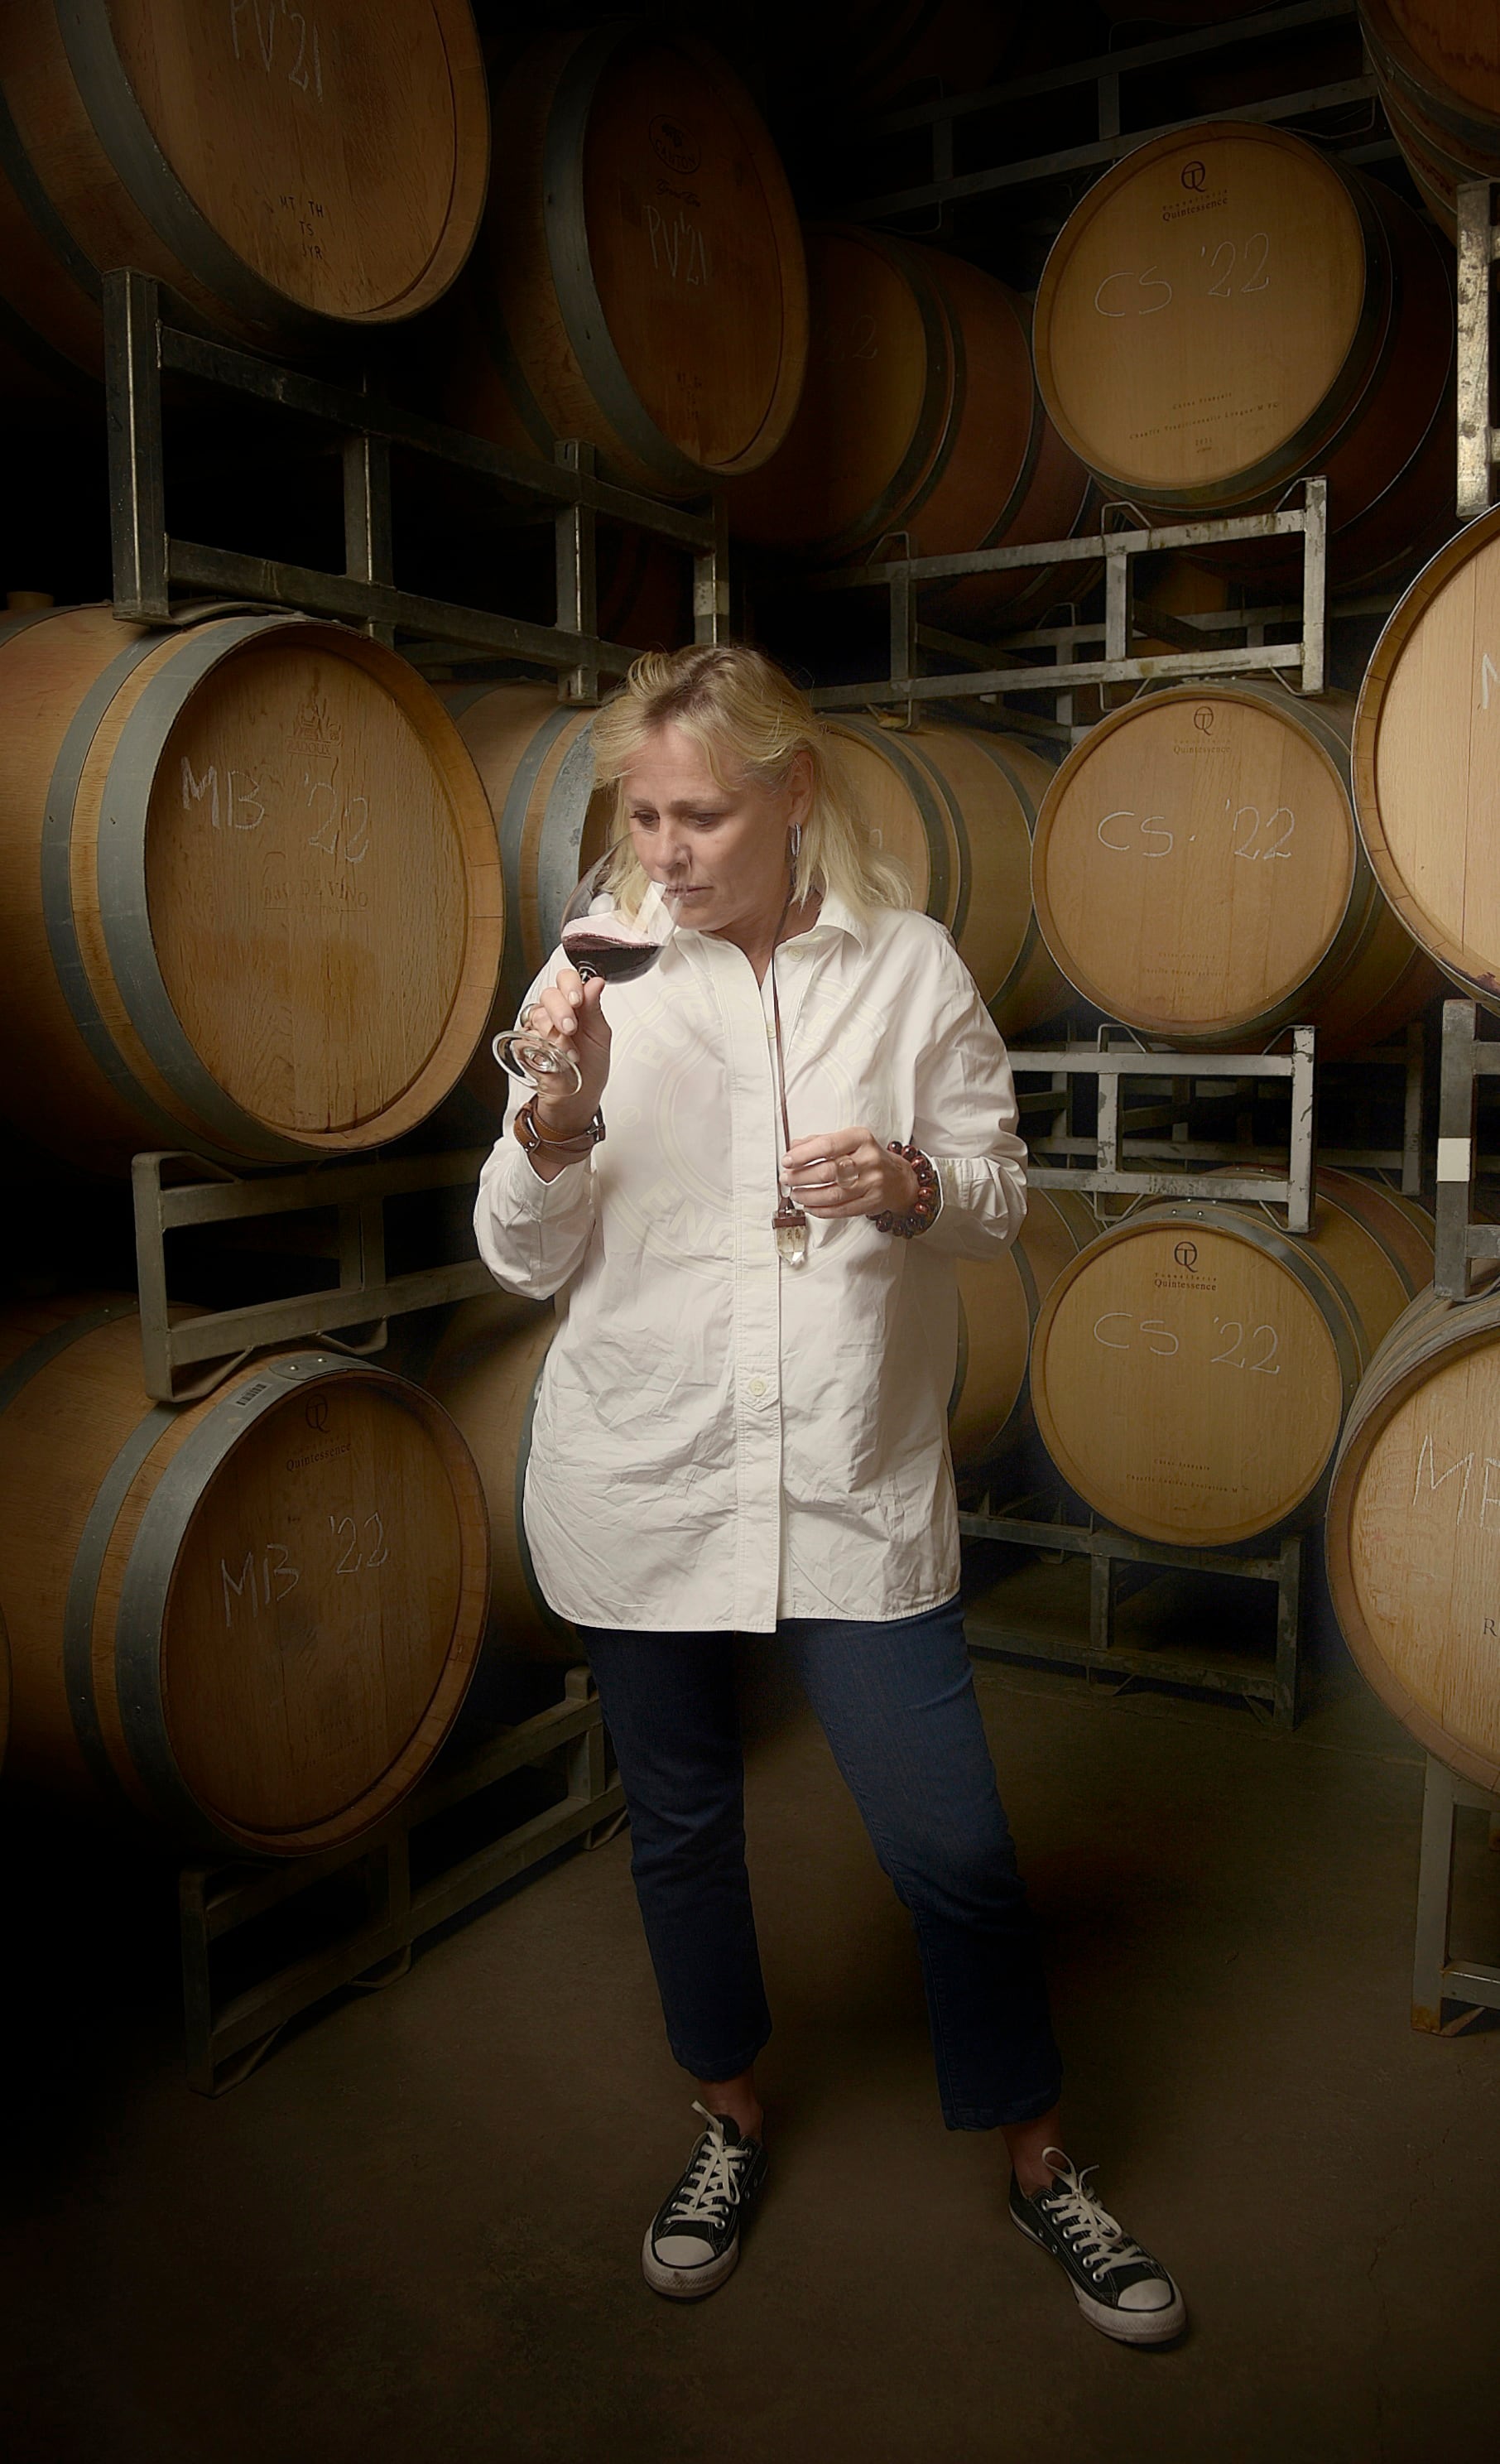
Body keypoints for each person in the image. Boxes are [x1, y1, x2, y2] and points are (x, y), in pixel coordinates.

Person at [474, 643, 1185, 2346]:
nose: (666, 847)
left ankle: (1039, 2158)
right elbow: (515, 1255)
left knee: (950, 1842)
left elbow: (1003, 1195)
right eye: (641, 813)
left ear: (793, 796)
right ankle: (723, 2120)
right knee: (686, 1826)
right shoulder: (592, 975)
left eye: (702, 812)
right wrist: (553, 1115)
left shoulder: (911, 968)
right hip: (645, 1468)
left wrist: (908, 1179)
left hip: (851, 1476)